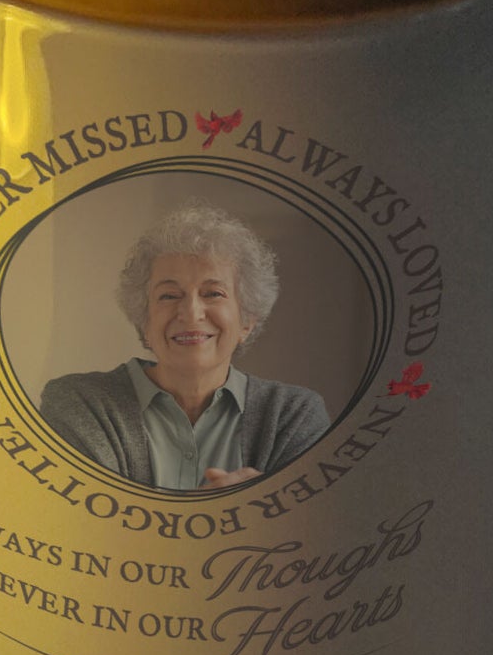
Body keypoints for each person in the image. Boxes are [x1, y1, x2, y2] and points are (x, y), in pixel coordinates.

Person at [38, 206, 330, 491]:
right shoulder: (78, 403)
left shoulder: (294, 415)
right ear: (144, 321)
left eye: (213, 293)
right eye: (169, 295)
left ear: (246, 321)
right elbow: (84, 520)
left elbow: (313, 523)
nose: (191, 313)